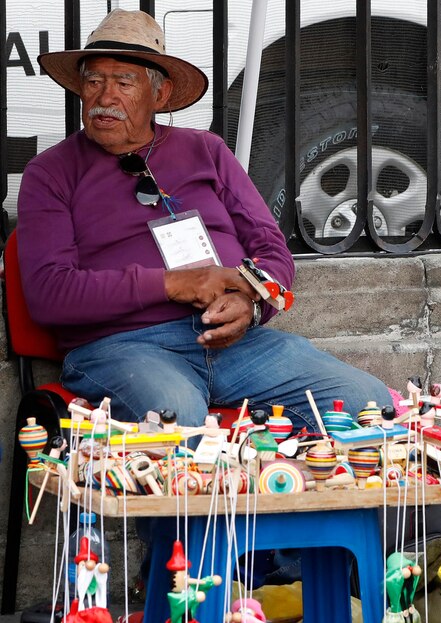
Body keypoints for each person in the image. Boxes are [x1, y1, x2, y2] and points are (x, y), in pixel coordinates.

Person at [16, 9, 392, 432]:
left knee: (367, 405)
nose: (105, 98)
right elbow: (50, 293)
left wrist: (250, 305)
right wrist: (174, 283)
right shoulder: (51, 173)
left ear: (160, 95)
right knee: (176, 417)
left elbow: (273, 253)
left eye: (124, 83)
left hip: (239, 342)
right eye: (94, 82)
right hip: (122, 348)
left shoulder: (207, 151)